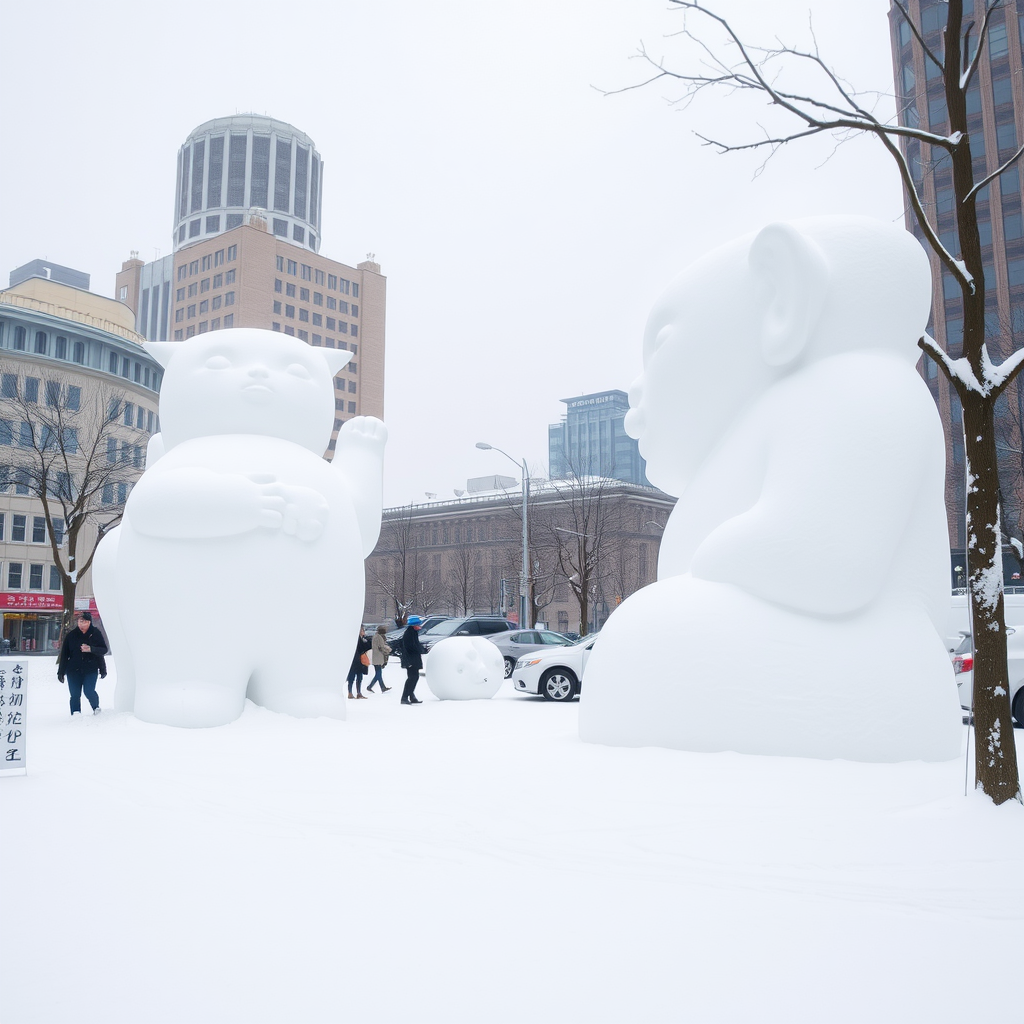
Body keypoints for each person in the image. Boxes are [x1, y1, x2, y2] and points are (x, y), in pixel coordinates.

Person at [57, 611, 109, 716]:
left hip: (90, 669)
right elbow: (64, 655)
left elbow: (103, 650)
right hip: (73, 670)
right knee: (75, 694)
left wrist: (91, 649)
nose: (81, 624)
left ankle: (96, 708)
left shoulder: (95, 633)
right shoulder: (71, 635)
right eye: (80, 621)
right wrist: (61, 672)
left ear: (89, 622)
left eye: (84, 622)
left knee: (89, 691)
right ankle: (75, 713)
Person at [399, 615, 426, 705]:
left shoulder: (413, 633)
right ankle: (404, 697)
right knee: (412, 678)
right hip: (411, 660)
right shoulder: (409, 634)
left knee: (414, 677)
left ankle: (411, 696)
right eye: (418, 624)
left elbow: (415, 645)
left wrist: (422, 648)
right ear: (414, 625)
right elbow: (411, 647)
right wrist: (420, 649)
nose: (420, 626)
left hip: (413, 659)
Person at [347, 626, 372, 699]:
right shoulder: (358, 639)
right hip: (357, 661)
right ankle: (353, 692)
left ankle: (354, 692)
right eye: (362, 630)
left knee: (356, 677)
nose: (363, 631)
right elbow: (364, 647)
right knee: (355, 677)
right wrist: (367, 641)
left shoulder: (359, 639)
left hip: (356, 661)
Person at [366, 625, 392, 693]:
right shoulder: (378, 637)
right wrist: (388, 650)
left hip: (376, 657)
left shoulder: (376, 636)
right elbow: (381, 647)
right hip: (378, 657)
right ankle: (370, 687)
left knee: (378, 673)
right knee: (378, 674)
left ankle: (382, 687)